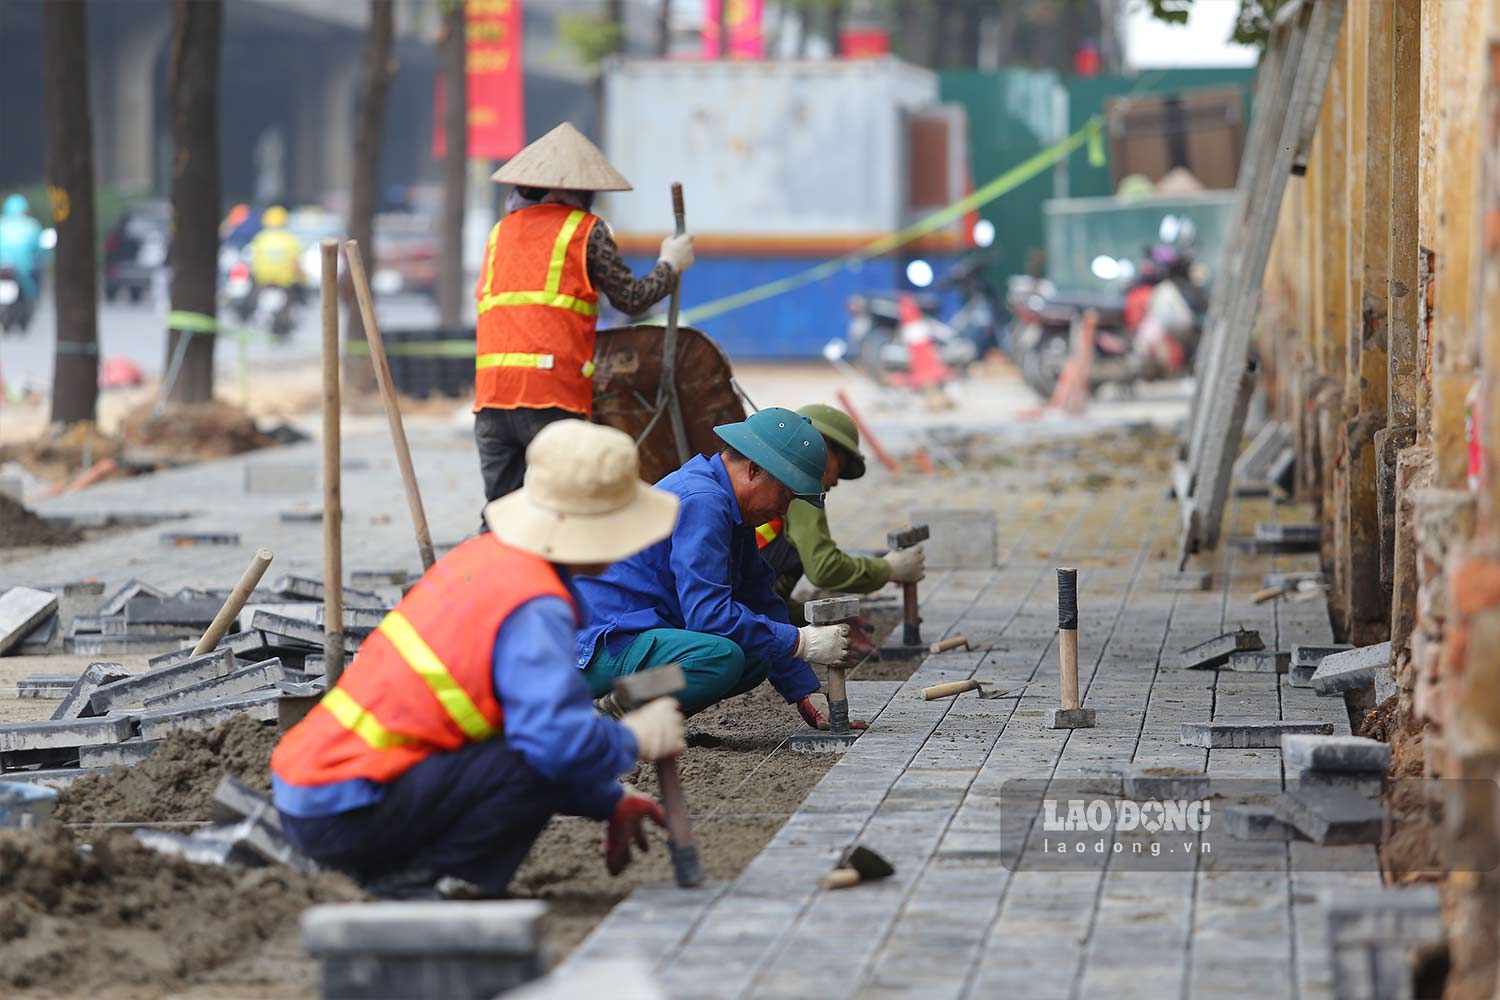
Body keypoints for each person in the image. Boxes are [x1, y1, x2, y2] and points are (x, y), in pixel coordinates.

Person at [271, 421, 687, 898]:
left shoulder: (487, 561)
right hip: (346, 810)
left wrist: (607, 799)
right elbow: (547, 747)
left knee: (528, 750)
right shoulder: (534, 605)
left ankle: (412, 876)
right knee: (533, 757)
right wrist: (629, 738)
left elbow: (511, 733)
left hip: (320, 793)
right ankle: (424, 888)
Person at [577, 407, 862, 732]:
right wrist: (800, 642)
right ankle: (609, 715)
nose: (784, 509)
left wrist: (806, 692)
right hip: (595, 648)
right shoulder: (703, 500)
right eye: (785, 495)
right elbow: (708, 616)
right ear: (754, 470)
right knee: (718, 658)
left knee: (755, 657)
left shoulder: (728, 507)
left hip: (631, 638)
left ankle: (625, 707)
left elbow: (760, 600)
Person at [473, 121, 696, 508]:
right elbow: (632, 299)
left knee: (502, 516)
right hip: (551, 397)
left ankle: (489, 570)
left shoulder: (499, 233)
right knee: (564, 511)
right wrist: (670, 265)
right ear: (578, 191)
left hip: (491, 399)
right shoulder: (585, 230)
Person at [755, 405, 925, 641]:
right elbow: (824, 568)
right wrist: (888, 568)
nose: (835, 481)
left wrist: (819, 619)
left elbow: (760, 601)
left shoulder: (774, 478)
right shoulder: (798, 489)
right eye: (839, 465)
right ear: (820, 444)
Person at [247, 205, 305, 293]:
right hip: (285, 284)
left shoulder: (260, 238)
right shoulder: (290, 239)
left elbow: (251, 260)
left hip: (262, 283)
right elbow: (296, 262)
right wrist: (302, 277)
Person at [0, 194, 43, 303]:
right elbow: (38, 251)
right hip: (24, 271)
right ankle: (36, 299)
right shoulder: (32, 225)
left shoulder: (2, 223)